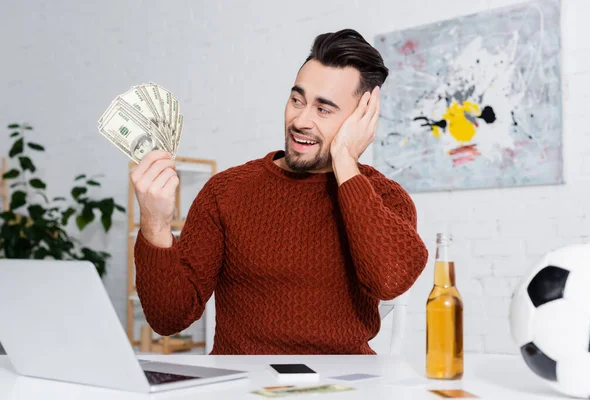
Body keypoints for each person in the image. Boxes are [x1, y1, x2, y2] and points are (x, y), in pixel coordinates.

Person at [131, 29, 429, 355]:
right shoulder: (226, 192)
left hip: (344, 386)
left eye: (323, 109)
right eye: (297, 100)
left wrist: (345, 160)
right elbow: (168, 318)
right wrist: (155, 225)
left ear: (362, 118)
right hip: (242, 384)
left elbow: (388, 280)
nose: (300, 120)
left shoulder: (385, 199)